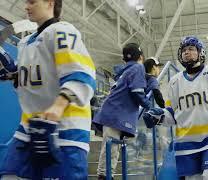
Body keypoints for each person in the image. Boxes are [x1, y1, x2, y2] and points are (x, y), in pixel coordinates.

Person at [0, 0, 96, 179]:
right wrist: (11, 74)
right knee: (9, 174)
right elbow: (26, 78)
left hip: (66, 131)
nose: (26, 6)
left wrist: (57, 107)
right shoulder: (25, 43)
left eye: (32, 1)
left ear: (50, 3)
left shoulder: (63, 31)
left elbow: (82, 74)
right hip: (31, 127)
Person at [143, 36, 208, 180]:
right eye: (184, 50)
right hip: (185, 141)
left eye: (191, 49)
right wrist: (158, 116)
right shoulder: (174, 81)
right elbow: (171, 115)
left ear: (201, 52)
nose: (187, 52)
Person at [93, 43, 152, 180]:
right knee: (111, 148)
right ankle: (104, 176)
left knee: (113, 148)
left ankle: (106, 175)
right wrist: (150, 106)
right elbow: (137, 92)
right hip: (116, 114)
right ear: (141, 57)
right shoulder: (137, 67)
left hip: (113, 113)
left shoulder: (126, 70)